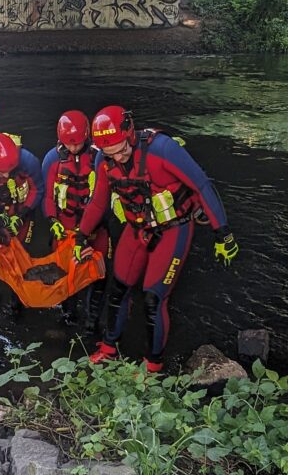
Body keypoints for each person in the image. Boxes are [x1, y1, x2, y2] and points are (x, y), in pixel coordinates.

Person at [73, 105, 238, 373]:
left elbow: (202, 185)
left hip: (175, 228)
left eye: (122, 149)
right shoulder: (103, 161)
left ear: (130, 133)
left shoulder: (162, 149)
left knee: (153, 298)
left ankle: (153, 364)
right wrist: (80, 237)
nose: (118, 157)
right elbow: (97, 202)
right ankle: (108, 348)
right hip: (136, 227)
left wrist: (223, 233)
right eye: (110, 153)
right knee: (118, 289)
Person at [42, 110, 110, 335]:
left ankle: (92, 320)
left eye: (77, 143)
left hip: (94, 229)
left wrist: (94, 228)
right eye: (68, 145)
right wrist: (52, 220)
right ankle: (68, 314)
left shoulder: (100, 157)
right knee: (65, 273)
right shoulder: (52, 159)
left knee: (97, 274)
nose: (72, 148)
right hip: (65, 228)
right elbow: (47, 196)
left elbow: (104, 198)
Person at [0, 132, 44, 311]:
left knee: (21, 258)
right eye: (2, 171)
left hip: (21, 211)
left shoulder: (28, 161)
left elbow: (37, 190)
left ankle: (17, 303)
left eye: (10, 170)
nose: (6, 175)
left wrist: (20, 216)